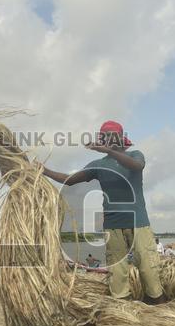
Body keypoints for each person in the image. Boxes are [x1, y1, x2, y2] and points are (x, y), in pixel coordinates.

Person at [42, 120, 166, 304]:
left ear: (121, 139)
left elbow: (137, 166)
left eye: (112, 137)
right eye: (106, 137)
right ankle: (123, 310)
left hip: (138, 223)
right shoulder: (98, 164)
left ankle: (158, 305)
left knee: (149, 269)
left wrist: (109, 152)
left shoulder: (135, 155)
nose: (109, 140)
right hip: (112, 226)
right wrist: (45, 171)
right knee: (117, 273)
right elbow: (69, 180)